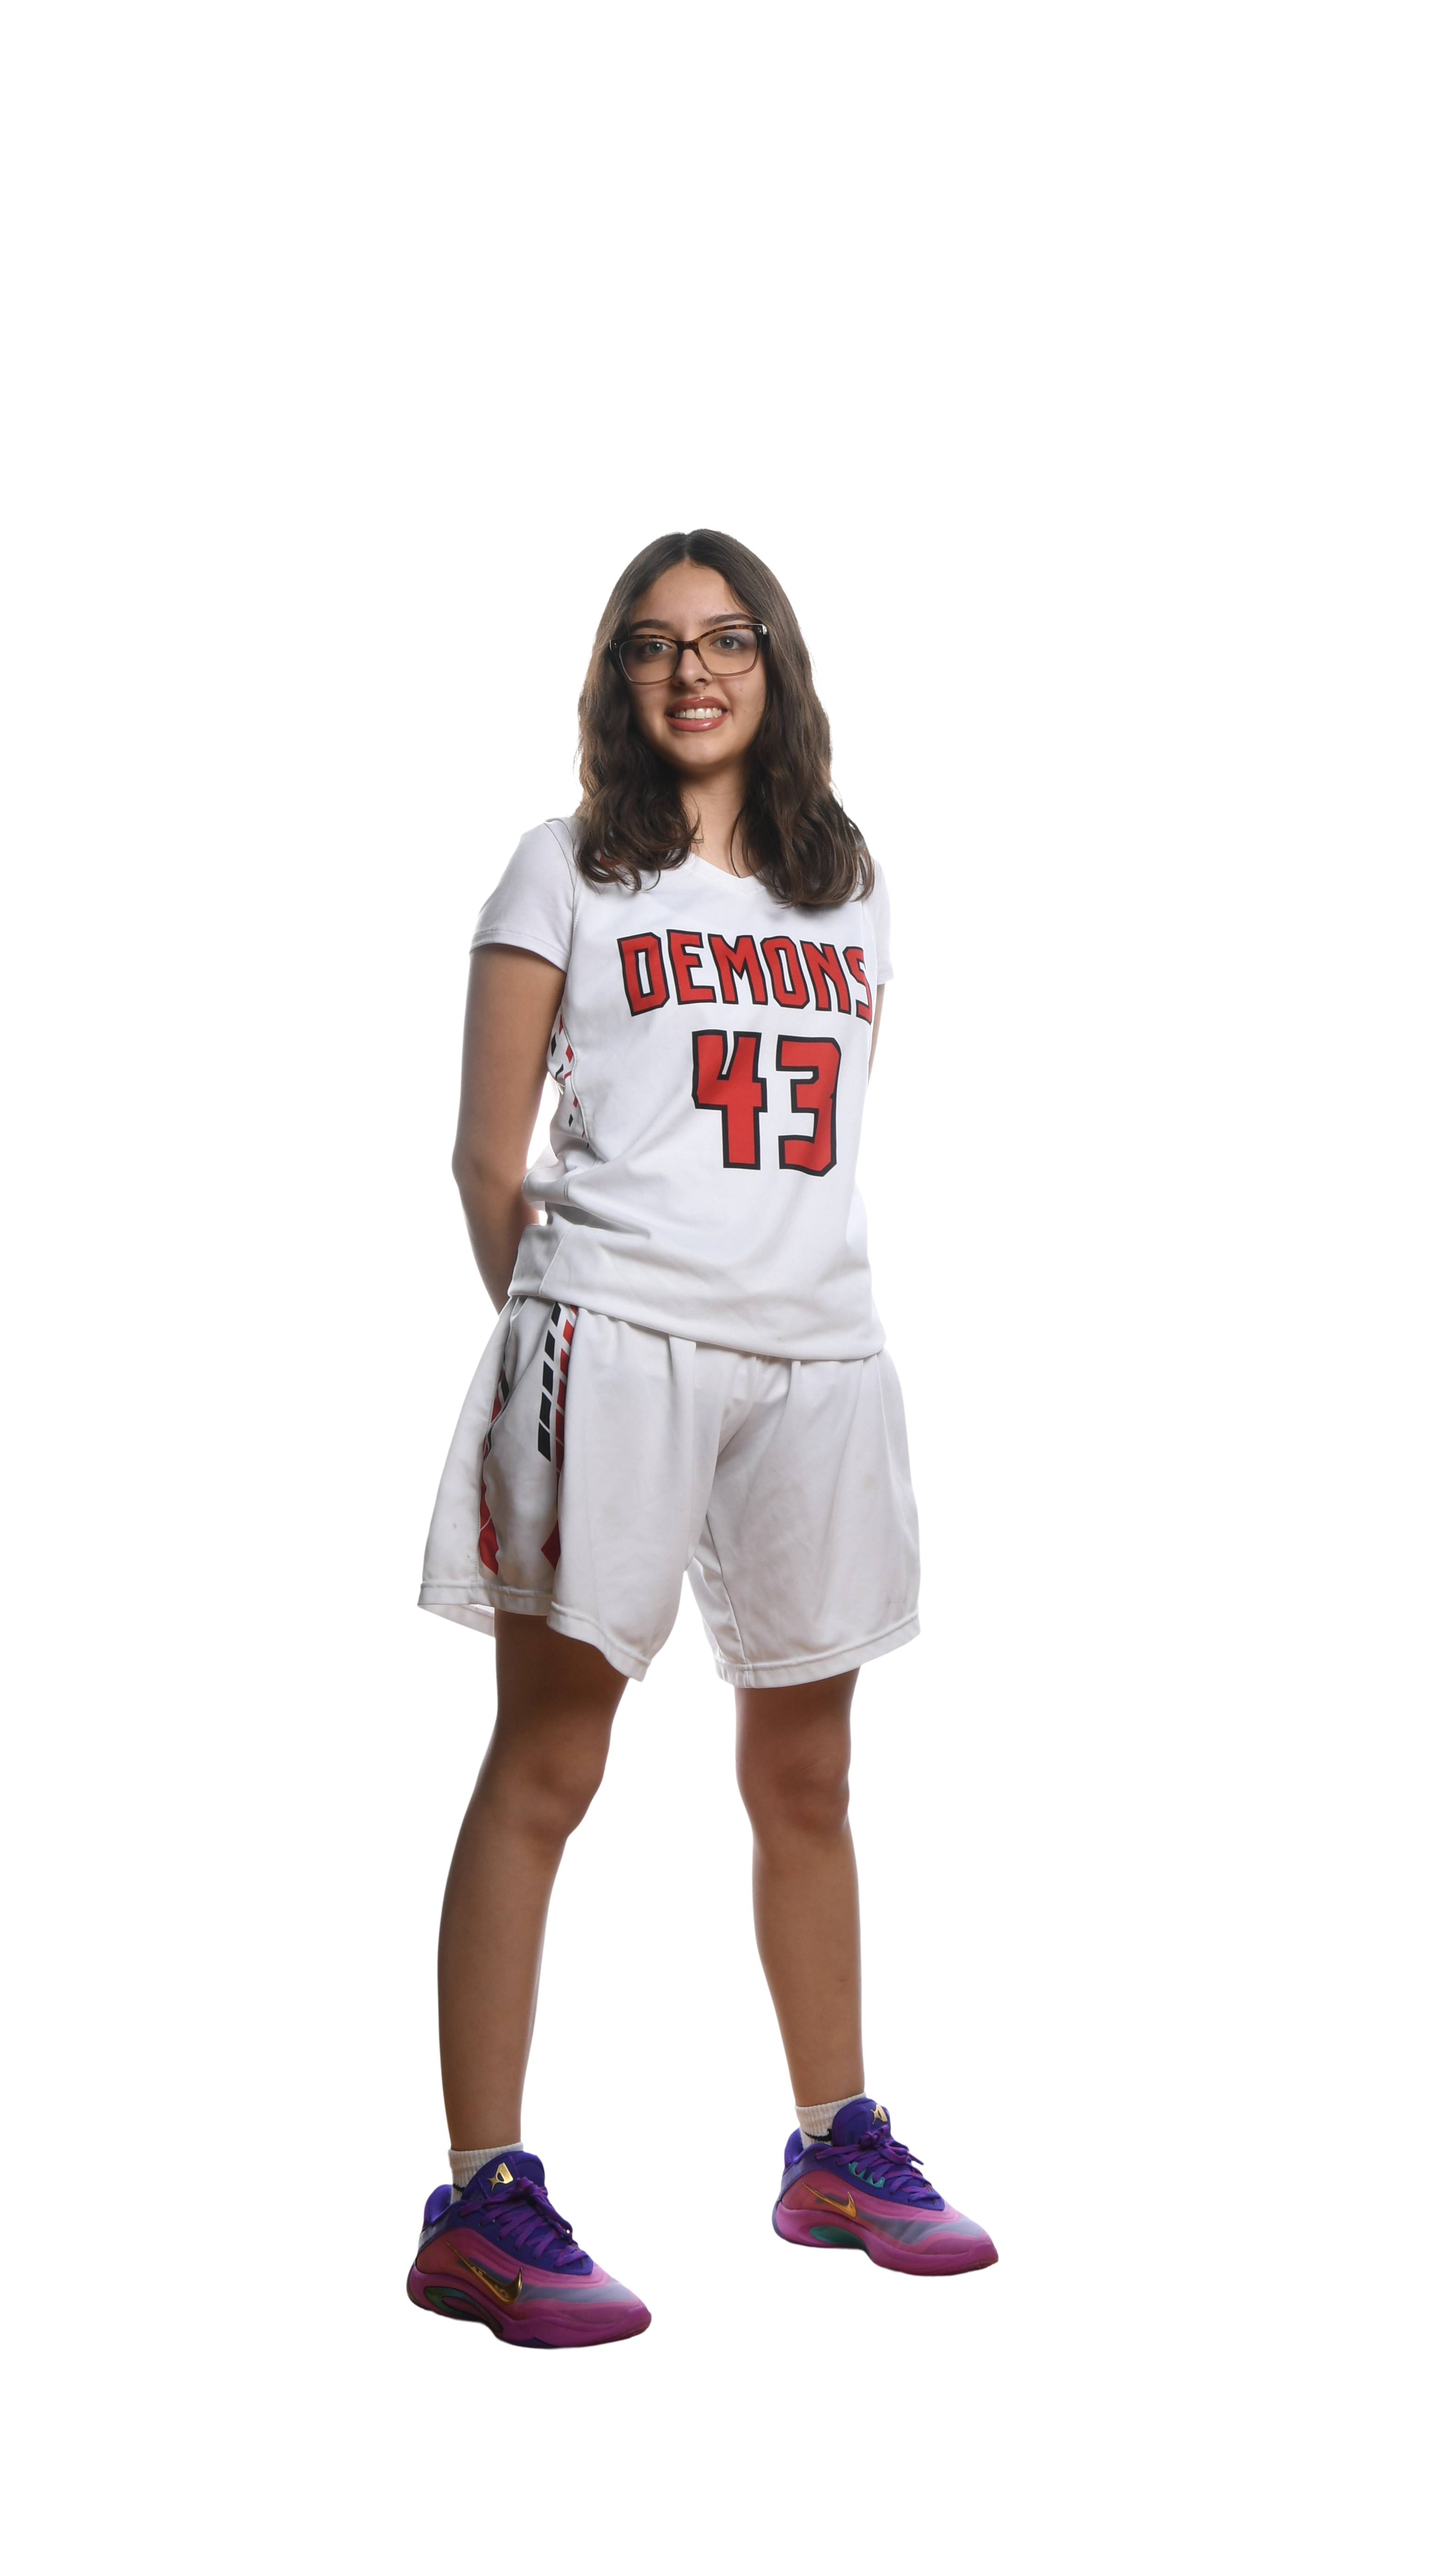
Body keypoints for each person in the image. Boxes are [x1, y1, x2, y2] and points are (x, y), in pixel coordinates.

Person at [405, 527, 997, 2347]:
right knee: (550, 1760)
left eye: (726, 638)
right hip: (616, 1344)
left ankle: (835, 2150)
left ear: (776, 665)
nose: (693, 671)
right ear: (617, 676)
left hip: (820, 1355)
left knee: (807, 1773)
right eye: (656, 645)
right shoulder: (564, 868)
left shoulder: (850, 888)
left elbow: (812, 1150)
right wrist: (566, 1342)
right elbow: (485, 1161)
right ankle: (480, 2202)